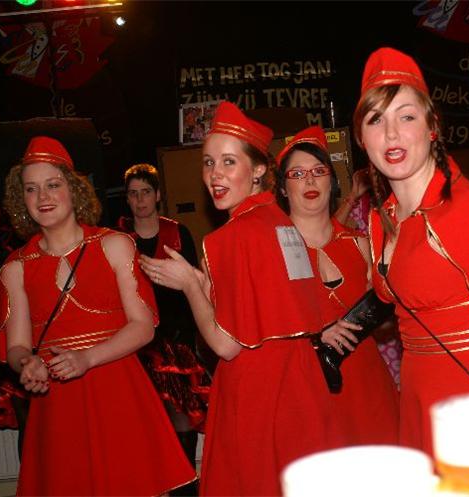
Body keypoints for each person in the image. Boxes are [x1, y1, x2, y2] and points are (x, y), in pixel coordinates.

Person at [139, 102, 345, 496]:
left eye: (229, 162)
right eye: (209, 163)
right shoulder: (285, 225)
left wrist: (189, 285)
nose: (215, 174)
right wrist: (205, 284)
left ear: (259, 170)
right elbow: (281, 307)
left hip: (256, 391)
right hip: (302, 384)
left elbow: (225, 344)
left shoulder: (228, 238)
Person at [353, 47, 469, 456]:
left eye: (407, 116)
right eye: (376, 120)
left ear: (432, 127)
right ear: (362, 138)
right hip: (417, 398)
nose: (392, 134)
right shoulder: (382, 218)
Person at [0, 136, 196, 495]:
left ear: (74, 190)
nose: (42, 197)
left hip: (119, 391)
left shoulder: (115, 245)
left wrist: (88, 358)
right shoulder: (15, 268)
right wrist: (27, 364)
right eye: (31, 188)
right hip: (57, 403)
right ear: (20, 198)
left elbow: (143, 326)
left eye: (53, 185)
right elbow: (17, 345)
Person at [274, 125, 399, 445]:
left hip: (368, 389)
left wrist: (387, 302)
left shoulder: (359, 243)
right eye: (297, 174)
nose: (310, 181)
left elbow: (386, 329)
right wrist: (315, 334)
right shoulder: (272, 250)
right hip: (307, 393)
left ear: (332, 181)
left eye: (319, 171)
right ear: (283, 188)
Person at [117, 163, 210, 494]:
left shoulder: (178, 232)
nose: (140, 200)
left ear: (157, 195)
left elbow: (196, 287)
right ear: (127, 199)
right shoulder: (118, 240)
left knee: (182, 419)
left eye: (145, 192)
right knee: (143, 425)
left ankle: (185, 488)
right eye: (133, 194)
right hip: (136, 346)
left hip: (177, 342)